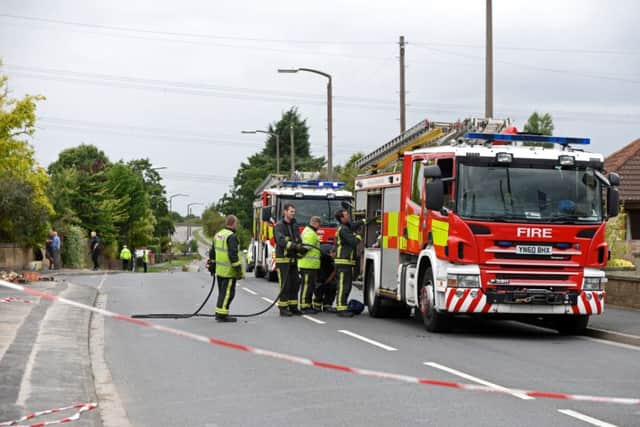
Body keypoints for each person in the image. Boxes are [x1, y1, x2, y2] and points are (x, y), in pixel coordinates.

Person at [274, 203, 304, 317]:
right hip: (283, 260)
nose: (293, 213)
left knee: (295, 284)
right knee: (285, 285)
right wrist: (294, 246)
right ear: (285, 212)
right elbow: (281, 241)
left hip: (293, 259)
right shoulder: (279, 226)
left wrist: (301, 248)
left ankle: (293, 306)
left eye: (294, 212)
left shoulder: (294, 225)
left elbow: (298, 239)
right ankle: (283, 308)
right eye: (291, 211)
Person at [212, 215, 243, 322]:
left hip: (220, 270)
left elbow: (212, 252)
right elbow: (233, 255)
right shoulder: (232, 237)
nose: (237, 225)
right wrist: (238, 270)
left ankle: (219, 312)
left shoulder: (218, 234)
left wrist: (212, 266)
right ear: (234, 223)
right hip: (229, 271)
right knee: (228, 294)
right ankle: (222, 315)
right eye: (237, 223)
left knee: (222, 293)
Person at [334, 209, 361, 318]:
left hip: (346, 262)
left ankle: (342, 306)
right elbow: (354, 242)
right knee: (343, 286)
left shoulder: (345, 227)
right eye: (346, 215)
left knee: (347, 286)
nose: (349, 216)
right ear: (341, 218)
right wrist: (359, 235)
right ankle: (341, 308)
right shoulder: (343, 230)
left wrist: (362, 221)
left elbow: (352, 225)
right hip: (343, 261)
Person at [298, 216, 322, 314]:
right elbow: (305, 248)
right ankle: (304, 306)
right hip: (307, 265)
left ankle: (308, 304)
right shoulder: (311, 233)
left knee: (310, 286)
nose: (319, 227)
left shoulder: (308, 231)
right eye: (319, 225)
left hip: (310, 265)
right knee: (307, 286)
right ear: (316, 223)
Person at [313, 244, 337, 313]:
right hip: (319, 267)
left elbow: (335, 269)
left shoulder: (335, 255)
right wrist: (321, 280)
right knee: (320, 284)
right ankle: (317, 304)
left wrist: (329, 279)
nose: (335, 258)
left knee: (333, 285)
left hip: (328, 267)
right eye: (334, 256)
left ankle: (327, 305)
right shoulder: (322, 253)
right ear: (332, 252)